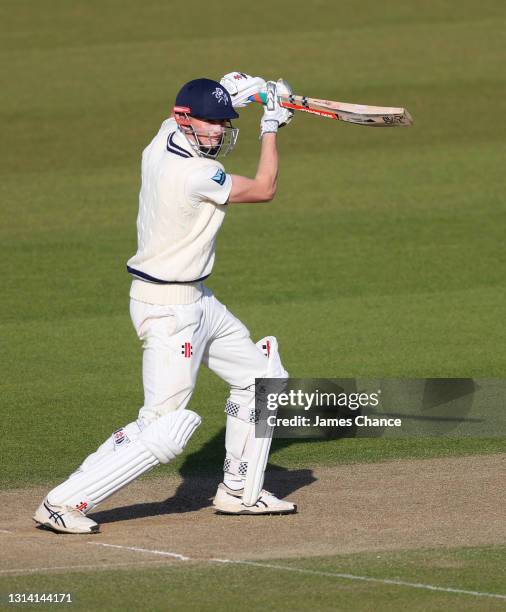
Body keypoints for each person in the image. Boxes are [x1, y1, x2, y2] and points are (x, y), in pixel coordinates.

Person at [33, 73, 296, 534]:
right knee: (165, 426)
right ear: (183, 118)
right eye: (210, 123)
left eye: (223, 121)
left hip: (198, 298)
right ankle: (64, 502)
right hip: (168, 310)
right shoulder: (194, 173)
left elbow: (208, 101)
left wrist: (248, 88)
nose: (218, 130)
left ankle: (239, 491)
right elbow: (264, 188)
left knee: (262, 377)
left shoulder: (164, 136)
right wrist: (270, 125)